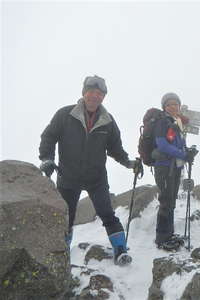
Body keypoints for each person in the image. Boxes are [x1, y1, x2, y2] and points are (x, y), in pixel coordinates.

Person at [39, 75, 139, 266]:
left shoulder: (107, 121)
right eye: (91, 92)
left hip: (96, 179)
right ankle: (63, 253)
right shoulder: (65, 114)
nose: (95, 96)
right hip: (68, 178)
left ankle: (120, 250)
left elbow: (115, 149)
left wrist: (129, 163)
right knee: (66, 218)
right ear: (84, 93)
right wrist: (47, 158)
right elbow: (49, 137)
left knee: (108, 214)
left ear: (103, 97)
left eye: (99, 93)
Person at [151, 92, 197, 251]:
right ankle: (162, 238)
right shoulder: (163, 122)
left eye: (176, 104)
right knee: (166, 202)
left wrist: (187, 152)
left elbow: (177, 145)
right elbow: (162, 145)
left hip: (174, 167)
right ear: (164, 107)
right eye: (169, 104)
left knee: (170, 201)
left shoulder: (176, 123)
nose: (173, 107)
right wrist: (183, 154)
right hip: (164, 168)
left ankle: (168, 234)